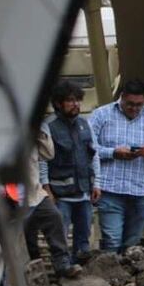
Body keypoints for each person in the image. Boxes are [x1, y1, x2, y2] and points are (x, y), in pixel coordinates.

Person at [89, 79, 144, 253]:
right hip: (110, 189)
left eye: (139, 105)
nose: (134, 108)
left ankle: (128, 275)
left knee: (132, 243)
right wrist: (113, 153)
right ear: (122, 97)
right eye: (130, 104)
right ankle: (111, 275)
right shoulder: (101, 115)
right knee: (112, 240)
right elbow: (87, 149)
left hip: (141, 192)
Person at [42, 81, 100, 263]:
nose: (76, 104)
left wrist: (97, 183)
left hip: (84, 193)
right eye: (70, 100)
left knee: (83, 238)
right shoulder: (48, 127)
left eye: (77, 100)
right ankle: (62, 270)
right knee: (60, 237)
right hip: (61, 196)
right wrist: (47, 189)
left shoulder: (84, 124)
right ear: (58, 103)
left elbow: (94, 155)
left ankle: (80, 270)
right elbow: (42, 160)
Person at [23, 122, 83, 278]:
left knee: (53, 217)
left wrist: (39, 127)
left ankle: (62, 264)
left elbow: (48, 154)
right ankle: (33, 277)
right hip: (12, 196)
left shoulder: (32, 126)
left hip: (34, 192)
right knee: (26, 236)